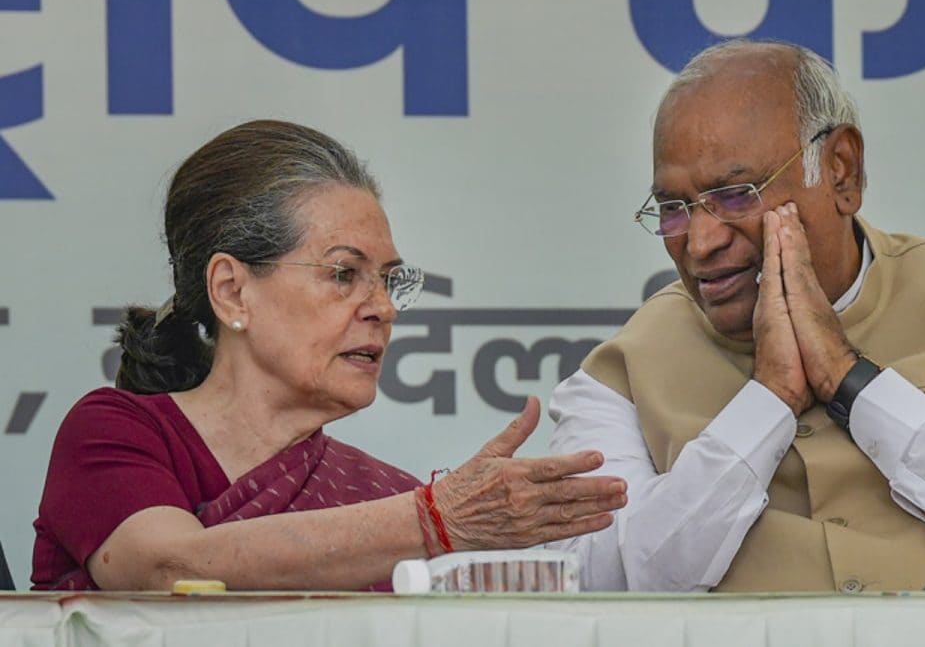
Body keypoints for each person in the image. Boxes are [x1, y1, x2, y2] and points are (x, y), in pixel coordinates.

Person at [547, 39, 925, 592]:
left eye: (736, 195)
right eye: (674, 208)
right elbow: (597, 583)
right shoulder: (619, 376)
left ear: (840, 172)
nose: (699, 243)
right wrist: (767, 403)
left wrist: (853, 381)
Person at [31, 120, 627, 591]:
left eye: (388, 281)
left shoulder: (380, 497)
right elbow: (169, 568)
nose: (383, 308)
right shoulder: (115, 432)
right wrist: (432, 521)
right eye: (344, 274)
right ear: (232, 291)